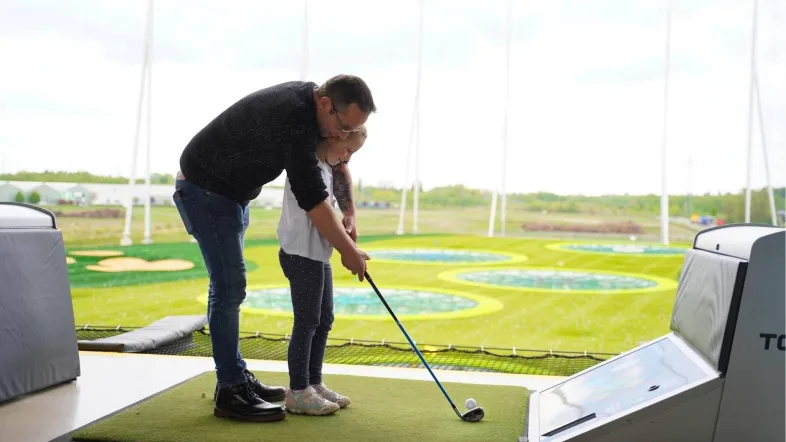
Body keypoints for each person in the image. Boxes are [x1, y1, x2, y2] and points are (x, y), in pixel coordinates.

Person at [172, 75, 376, 422]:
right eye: (343, 128)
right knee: (229, 287)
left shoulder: (315, 111)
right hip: (205, 190)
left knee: (229, 287)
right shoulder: (296, 120)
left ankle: (236, 375)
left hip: (231, 195)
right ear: (326, 105)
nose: (342, 137)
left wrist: (352, 212)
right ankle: (230, 389)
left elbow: (339, 165)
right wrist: (348, 251)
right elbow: (314, 200)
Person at [277, 126, 368, 416]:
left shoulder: (329, 166)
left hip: (316, 255)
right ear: (333, 137)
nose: (348, 159)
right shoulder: (308, 168)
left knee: (324, 319)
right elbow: (320, 217)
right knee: (307, 321)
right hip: (300, 254)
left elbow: (340, 179)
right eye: (348, 150)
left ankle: (313, 383)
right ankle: (298, 391)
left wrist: (349, 221)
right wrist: (348, 251)